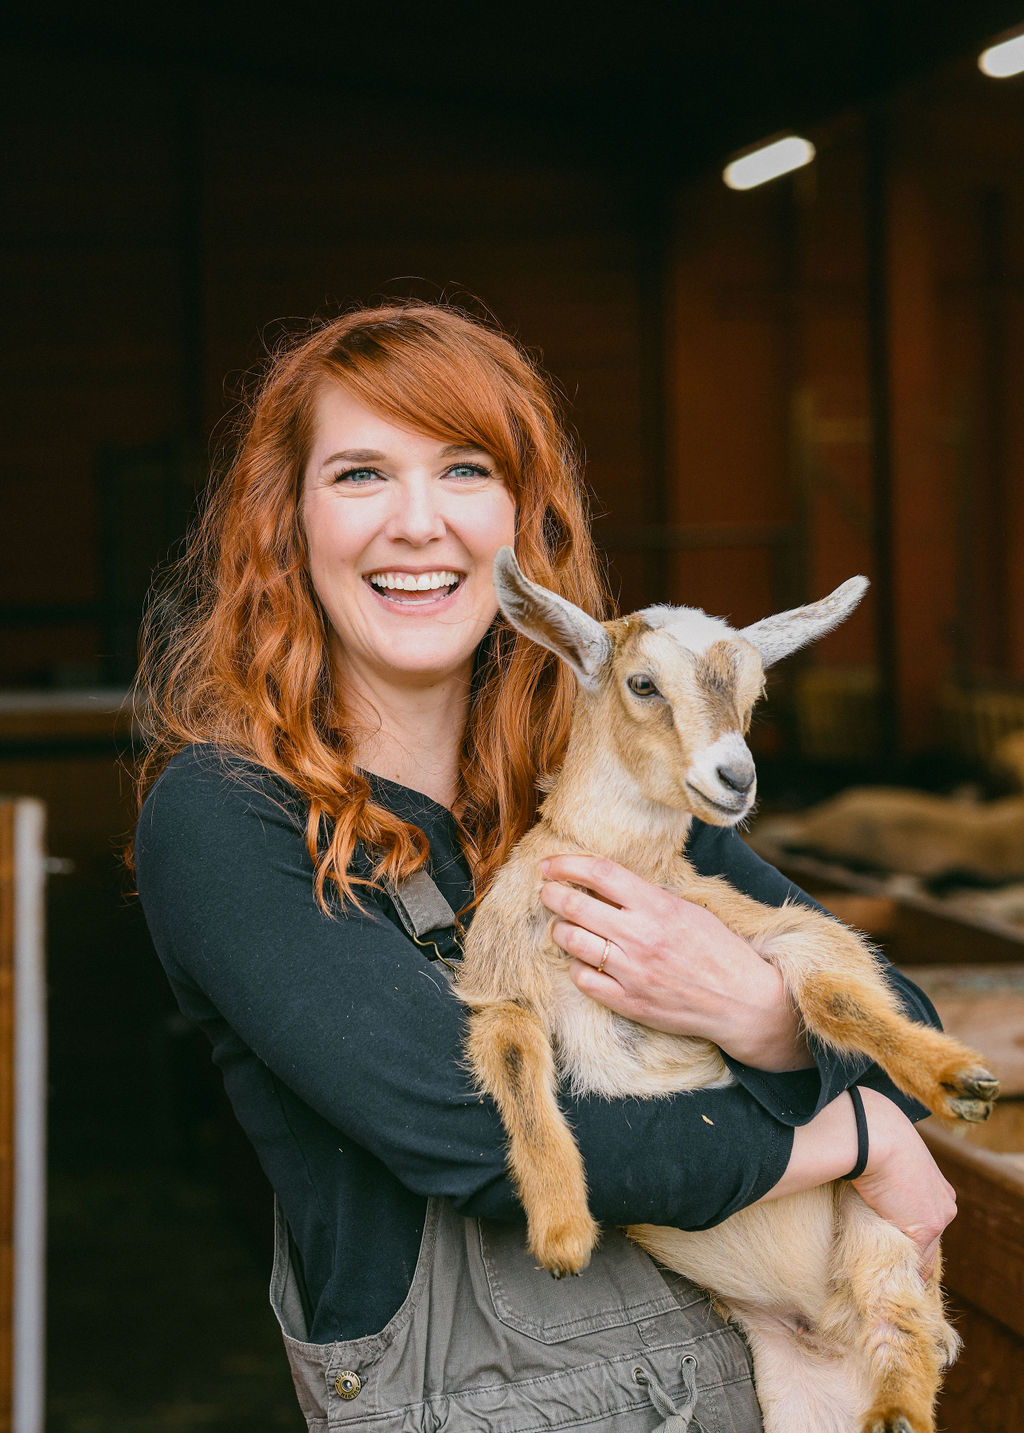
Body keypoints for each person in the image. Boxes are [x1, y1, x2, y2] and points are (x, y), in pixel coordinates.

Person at [132, 301, 956, 1432]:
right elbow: (466, 1134)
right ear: (290, 521)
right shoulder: (227, 817)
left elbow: (904, 1030)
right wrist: (855, 1136)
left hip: (736, 1385)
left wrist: (759, 1010)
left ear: (524, 525)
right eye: (362, 473)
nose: (417, 524)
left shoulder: (608, 790)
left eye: (465, 470)